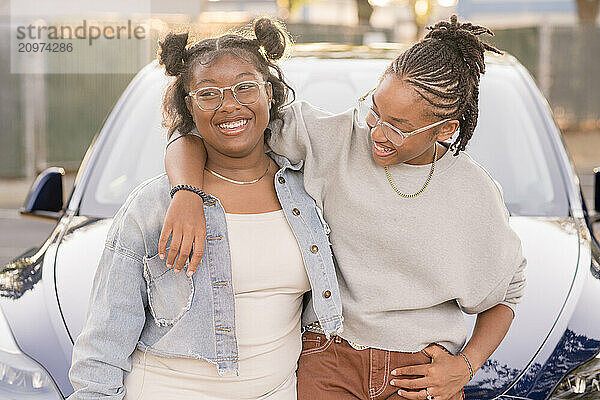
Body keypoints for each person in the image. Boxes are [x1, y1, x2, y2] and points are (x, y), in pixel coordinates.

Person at [161, 15, 527, 400]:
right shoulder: (332, 139)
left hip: (420, 373)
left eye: (398, 127)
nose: (377, 133)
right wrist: (186, 192)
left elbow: (508, 295)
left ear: (445, 130)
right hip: (330, 357)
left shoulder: (474, 192)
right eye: (375, 110)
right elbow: (206, 129)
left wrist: (465, 367)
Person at [67, 18, 343, 400]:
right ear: (189, 108)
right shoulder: (154, 205)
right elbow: (103, 341)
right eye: (209, 94)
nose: (229, 105)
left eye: (245, 87)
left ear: (270, 93)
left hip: (279, 391)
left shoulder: (309, 192)